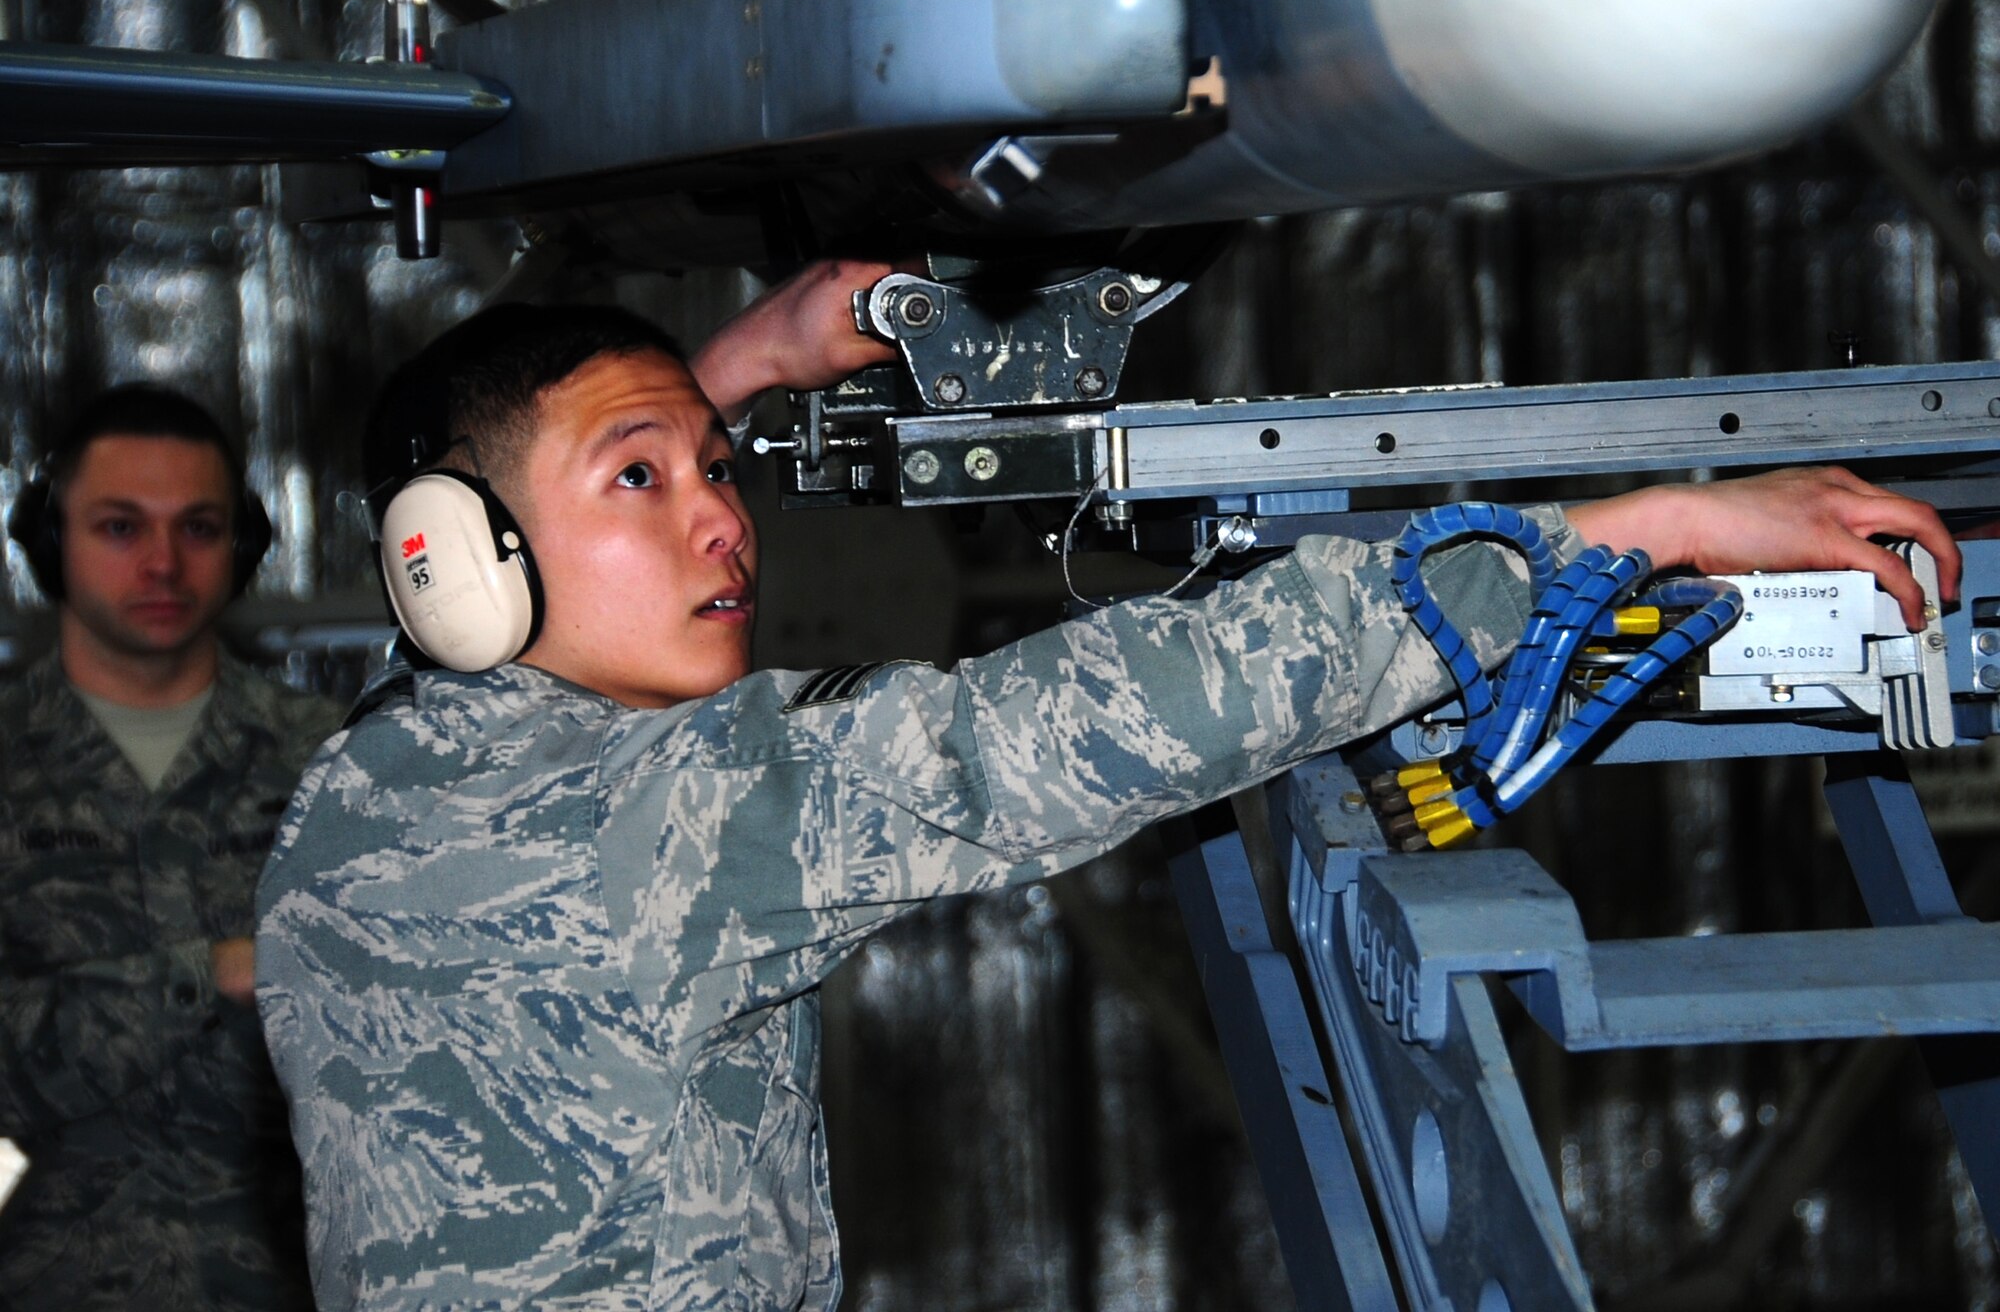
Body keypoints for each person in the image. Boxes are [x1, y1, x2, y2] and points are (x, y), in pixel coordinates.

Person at [253, 260, 1960, 1311]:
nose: (724, 519)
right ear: (450, 560)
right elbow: (1045, 735)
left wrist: (740, 364)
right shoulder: (645, 819)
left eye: (715, 467)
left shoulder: (373, 787)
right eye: (645, 478)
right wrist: (1626, 532)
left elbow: (524, 514)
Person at [0, 385, 346, 1309]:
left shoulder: (335, 759)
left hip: (299, 1278)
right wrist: (211, 973)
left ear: (242, 548)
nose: (162, 563)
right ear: (50, 544)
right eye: (120, 528)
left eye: (199, 528)